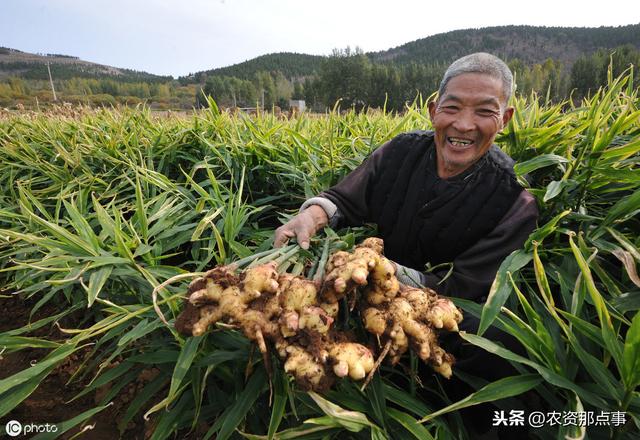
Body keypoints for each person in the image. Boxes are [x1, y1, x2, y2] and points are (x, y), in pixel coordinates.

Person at [274, 52, 539, 434]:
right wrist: (311, 215)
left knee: (492, 337)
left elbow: (465, 290)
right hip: (368, 294)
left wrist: (388, 272)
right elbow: (346, 198)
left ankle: (469, 419)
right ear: (434, 110)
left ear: (506, 119)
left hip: (446, 317)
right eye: (452, 108)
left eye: (484, 111)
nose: (464, 124)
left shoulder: (514, 200)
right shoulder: (399, 153)